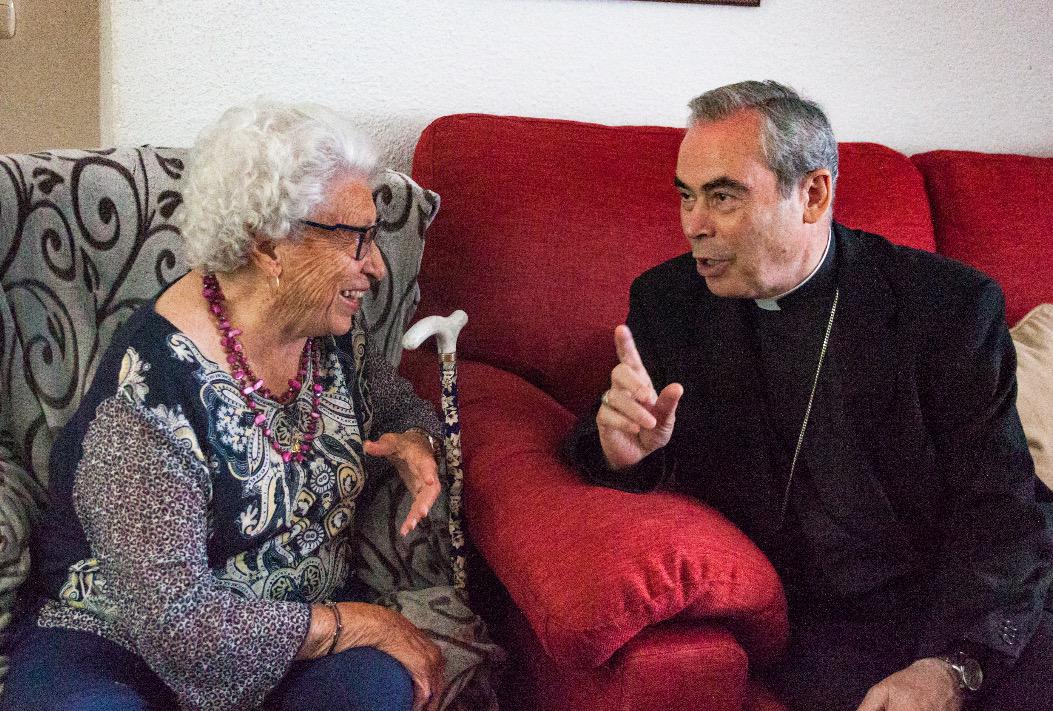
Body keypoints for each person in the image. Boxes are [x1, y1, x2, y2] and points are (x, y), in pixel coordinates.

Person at [564, 80, 1053, 711]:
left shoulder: (947, 308)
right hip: (830, 620)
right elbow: (604, 444)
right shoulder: (669, 304)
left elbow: (1003, 509)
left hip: (974, 590)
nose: (694, 226)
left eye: (723, 196)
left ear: (813, 194)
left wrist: (953, 666)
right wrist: (619, 453)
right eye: (686, 197)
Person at [3, 101, 500, 711]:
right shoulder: (149, 397)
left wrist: (412, 437)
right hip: (121, 644)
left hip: (295, 637)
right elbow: (177, 624)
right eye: (357, 239)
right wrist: (363, 624)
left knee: (379, 690)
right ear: (269, 248)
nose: (374, 265)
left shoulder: (330, 331)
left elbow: (391, 398)